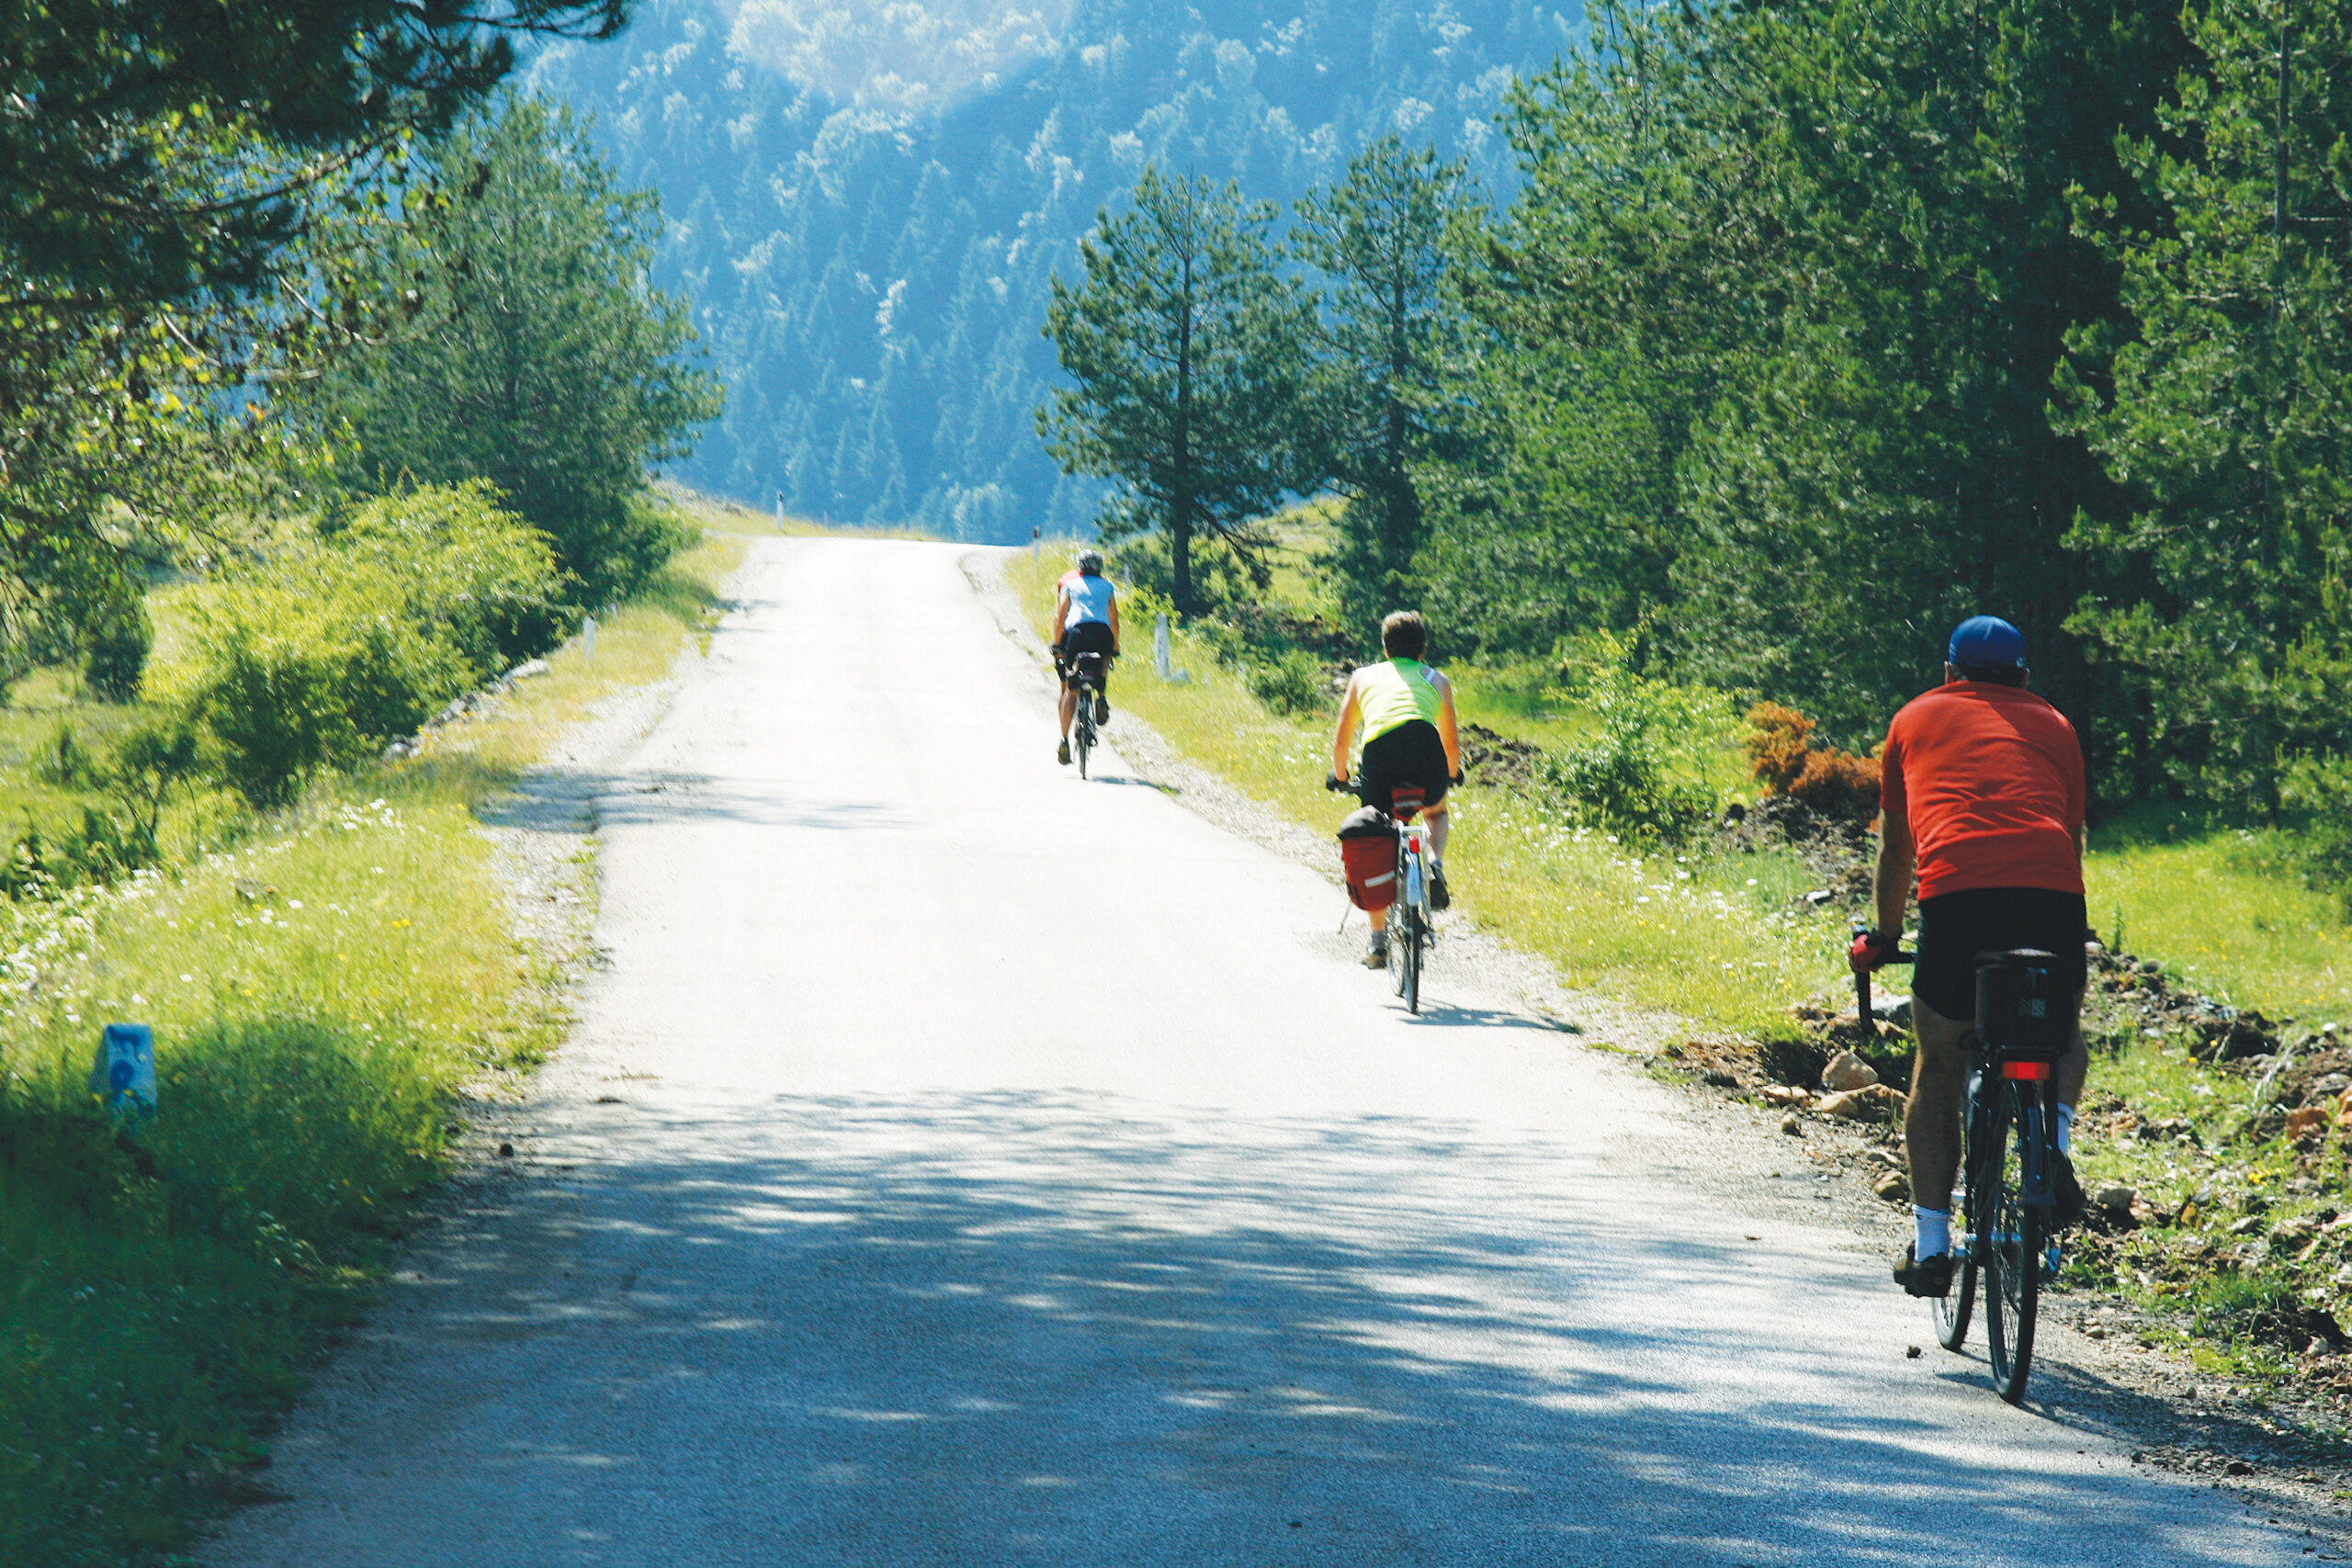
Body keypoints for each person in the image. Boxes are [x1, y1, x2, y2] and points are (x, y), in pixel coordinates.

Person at [1851, 615, 2091, 1299]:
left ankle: (1932, 1246)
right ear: (2023, 675)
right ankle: (2055, 1151)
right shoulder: (2057, 723)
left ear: (1950, 672)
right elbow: (2067, 836)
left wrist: (1887, 936)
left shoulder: (1914, 718)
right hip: (2049, 895)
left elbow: (1898, 848)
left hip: (1957, 897)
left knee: (1941, 1060)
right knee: (2061, 1035)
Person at [1331, 611, 1463, 968]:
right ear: (1423, 649)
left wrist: (1340, 776)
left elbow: (1343, 737)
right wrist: (1452, 773)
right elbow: (1450, 742)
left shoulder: (1362, 677)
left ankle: (1377, 944)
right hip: (1426, 756)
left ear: (1385, 649)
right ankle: (1435, 863)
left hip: (1381, 760)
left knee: (1377, 837)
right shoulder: (1437, 679)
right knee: (1435, 812)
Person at [1051, 547, 1120, 765]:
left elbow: (1061, 618)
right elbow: (1114, 620)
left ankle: (1064, 740)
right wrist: (1115, 646)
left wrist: (1056, 644)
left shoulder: (1071, 586)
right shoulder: (1108, 586)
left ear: (1079, 568)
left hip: (1077, 634)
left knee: (1071, 690)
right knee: (1106, 656)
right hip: (1101, 632)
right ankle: (1100, 696)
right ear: (1100, 568)